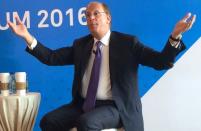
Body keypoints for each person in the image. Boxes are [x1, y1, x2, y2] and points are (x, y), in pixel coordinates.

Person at [7, 1, 196, 131]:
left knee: (86, 123)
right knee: (48, 121)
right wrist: (27, 36)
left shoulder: (128, 43)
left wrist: (175, 37)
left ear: (108, 18)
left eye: (96, 13)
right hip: (83, 104)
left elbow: (161, 61)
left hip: (116, 107)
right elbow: (51, 57)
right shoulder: (82, 45)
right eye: (87, 15)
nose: (91, 18)